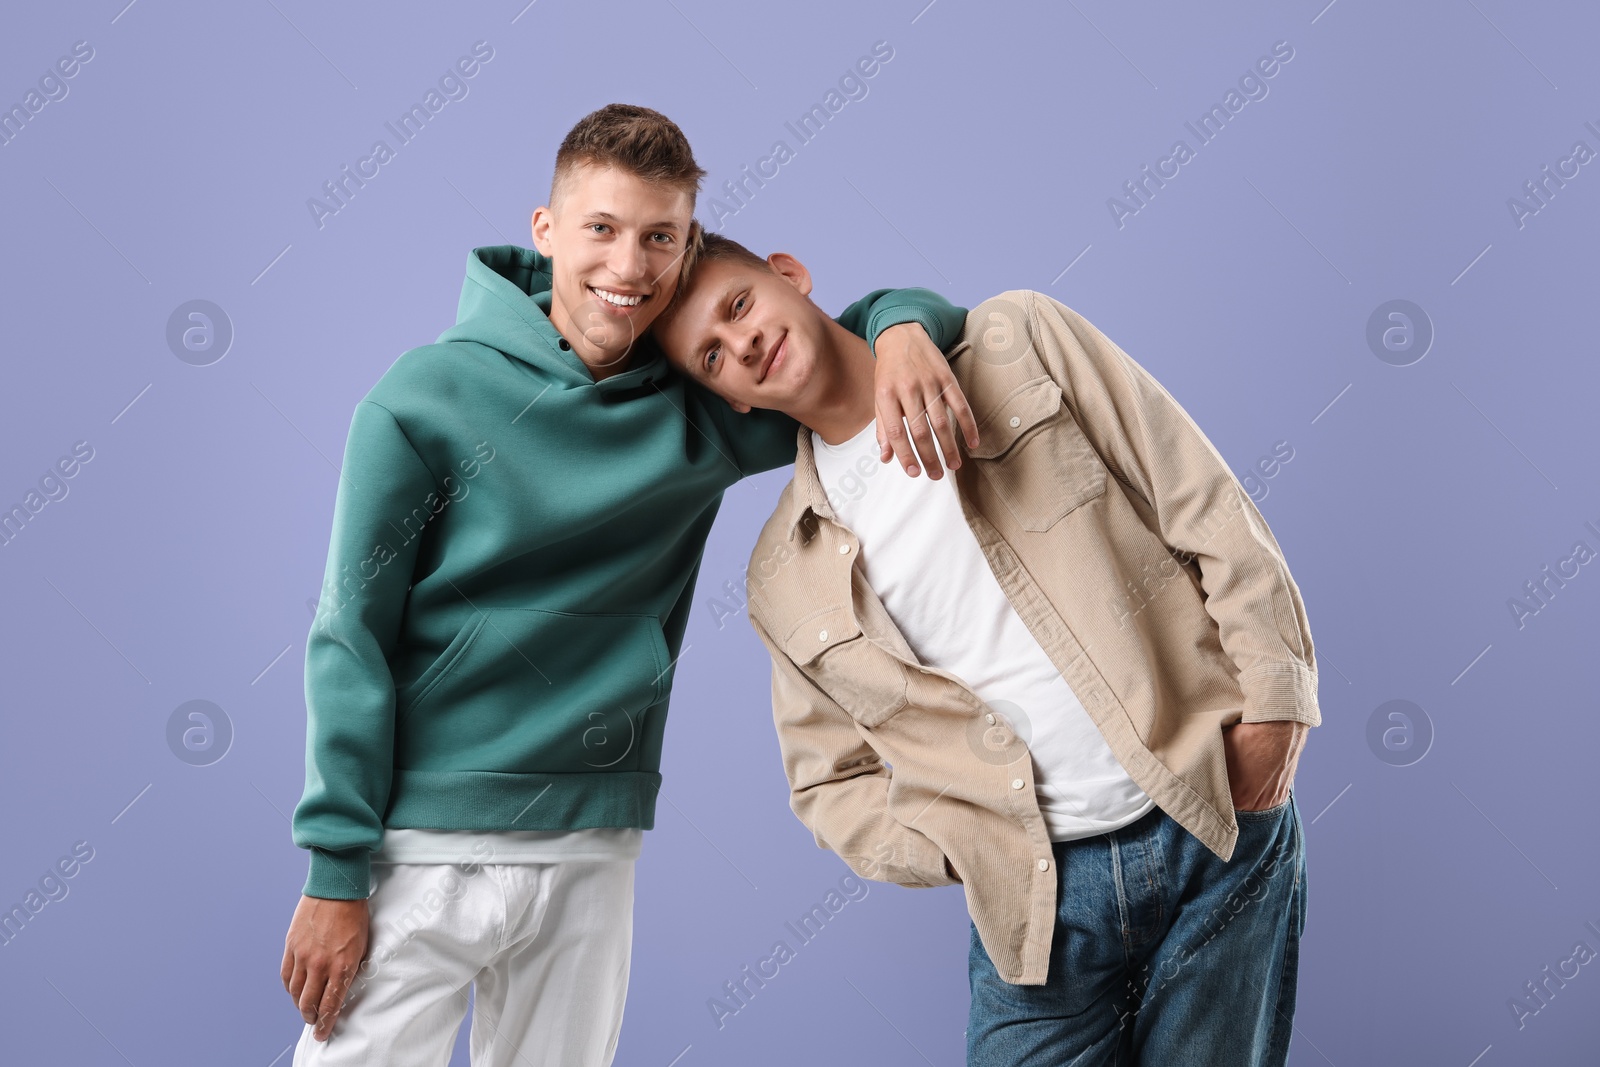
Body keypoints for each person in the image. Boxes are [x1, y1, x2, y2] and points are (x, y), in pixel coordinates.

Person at [279, 104, 980, 1067]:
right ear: (547, 231)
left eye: (659, 237)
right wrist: (334, 869)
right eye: (602, 230)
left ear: (688, 242)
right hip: (424, 843)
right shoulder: (420, 402)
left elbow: (845, 352)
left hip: (595, 843)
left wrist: (904, 324)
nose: (628, 265)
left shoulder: (707, 400)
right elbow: (348, 637)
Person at [652, 232, 1319, 1066]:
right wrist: (968, 842)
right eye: (712, 354)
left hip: (1210, 817)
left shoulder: (1021, 340)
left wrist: (1274, 714)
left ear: (789, 275)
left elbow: (1206, 508)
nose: (742, 342)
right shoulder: (784, 571)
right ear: (730, 398)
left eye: (740, 304)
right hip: (1037, 917)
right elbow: (828, 781)